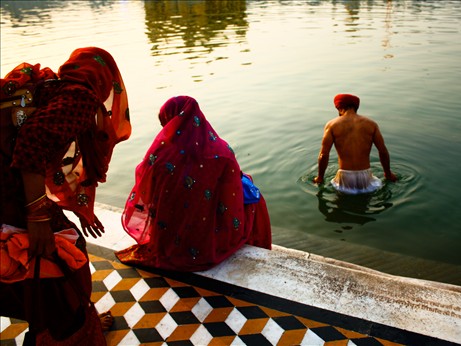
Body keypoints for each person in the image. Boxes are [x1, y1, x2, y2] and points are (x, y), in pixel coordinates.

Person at [0, 47, 131, 343]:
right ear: (105, 81)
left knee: (54, 255)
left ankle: (61, 324)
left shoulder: (56, 88)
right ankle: (62, 332)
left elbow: (46, 154)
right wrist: (37, 217)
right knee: (59, 263)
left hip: (9, 183)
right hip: (9, 190)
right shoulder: (81, 98)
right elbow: (32, 143)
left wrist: (76, 208)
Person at [115, 96, 271, 272]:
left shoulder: (160, 155)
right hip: (209, 236)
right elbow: (232, 197)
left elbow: (145, 191)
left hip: (169, 235)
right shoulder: (221, 153)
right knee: (253, 195)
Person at [313, 93, 397, 194]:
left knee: (341, 205)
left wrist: (320, 177)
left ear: (339, 107)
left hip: (344, 177)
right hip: (366, 177)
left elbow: (323, 155)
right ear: (356, 106)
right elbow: (382, 151)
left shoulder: (332, 125)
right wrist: (388, 174)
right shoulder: (371, 124)